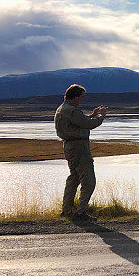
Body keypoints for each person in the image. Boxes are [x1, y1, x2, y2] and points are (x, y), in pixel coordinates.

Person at [54, 84, 108, 222]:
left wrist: (92, 115)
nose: (82, 100)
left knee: (74, 178)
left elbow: (79, 122)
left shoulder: (62, 109)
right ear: (76, 96)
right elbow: (89, 124)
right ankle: (81, 212)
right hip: (79, 148)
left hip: (69, 147)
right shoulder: (72, 110)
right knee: (89, 181)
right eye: (82, 97)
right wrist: (101, 117)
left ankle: (66, 211)